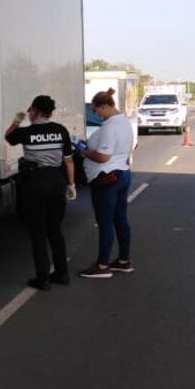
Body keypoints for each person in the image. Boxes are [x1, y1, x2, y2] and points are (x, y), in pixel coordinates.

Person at [5, 95, 77, 290]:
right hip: (57, 181)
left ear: (35, 110)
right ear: (51, 113)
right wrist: (71, 185)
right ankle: (62, 274)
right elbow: (68, 161)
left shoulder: (27, 132)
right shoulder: (61, 131)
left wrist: (16, 121)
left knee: (38, 233)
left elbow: (8, 137)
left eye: (30, 110)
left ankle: (43, 278)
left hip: (35, 183)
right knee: (55, 230)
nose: (28, 113)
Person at [79, 87, 134, 278]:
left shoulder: (111, 126)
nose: (95, 114)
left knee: (105, 222)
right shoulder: (124, 122)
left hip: (107, 176)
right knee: (120, 219)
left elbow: (103, 157)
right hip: (122, 173)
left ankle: (102, 266)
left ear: (105, 106)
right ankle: (123, 260)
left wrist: (83, 151)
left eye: (96, 110)